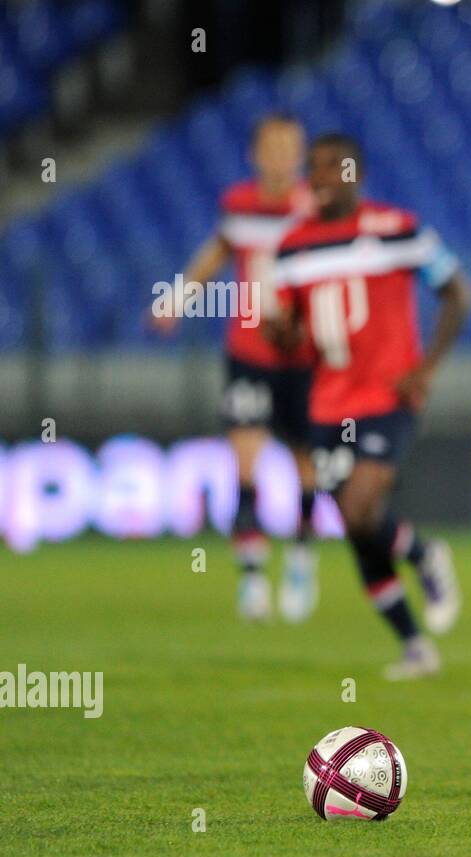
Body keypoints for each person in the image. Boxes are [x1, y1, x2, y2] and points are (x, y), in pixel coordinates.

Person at [270, 133, 471, 680]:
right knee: (358, 527)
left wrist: (425, 368)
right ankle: (415, 643)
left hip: (388, 396)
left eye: (331, 166)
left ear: (356, 172)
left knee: (360, 507)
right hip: (326, 403)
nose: (318, 177)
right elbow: (289, 335)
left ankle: (426, 556)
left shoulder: (398, 229)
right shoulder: (291, 248)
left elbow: (458, 291)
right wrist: (279, 331)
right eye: (312, 168)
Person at [152, 113, 318, 622]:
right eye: (271, 146)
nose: (280, 156)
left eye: (290, 146)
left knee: (305, 467)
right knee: (244, 460)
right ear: (255, 154)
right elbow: (218, 251)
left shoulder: (314, 209)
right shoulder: (239, 205)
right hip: (248, 351)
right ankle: (250, 577)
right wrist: (179, 297)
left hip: (304, 356)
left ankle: (300, 557)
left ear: (301, 154)